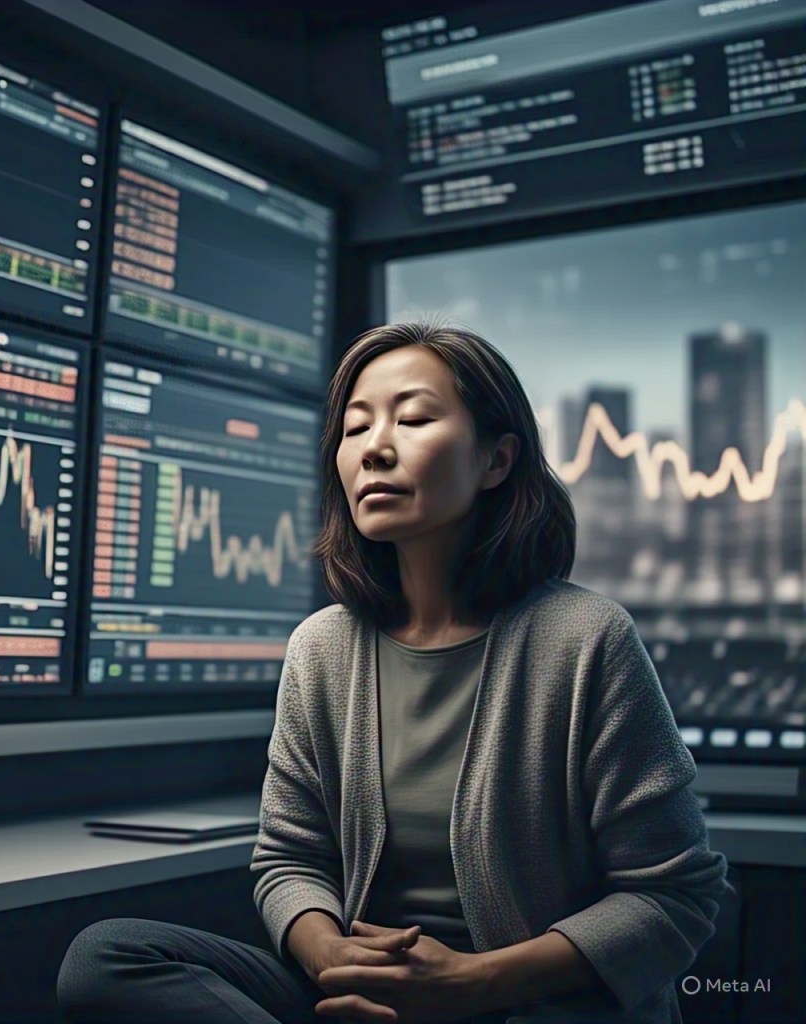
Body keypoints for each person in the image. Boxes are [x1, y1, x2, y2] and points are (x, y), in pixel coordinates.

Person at [57, 322, 732, 1024]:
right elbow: (289, 859)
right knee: (105, 956)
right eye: (355, 428)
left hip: (528, 1003)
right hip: (368, 1001)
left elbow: (673, 895)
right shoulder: (321, 648)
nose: (374, 448)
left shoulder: (587, 639)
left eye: (412, 419)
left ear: (496, 460)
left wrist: (473, 982)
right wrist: (329, 956)